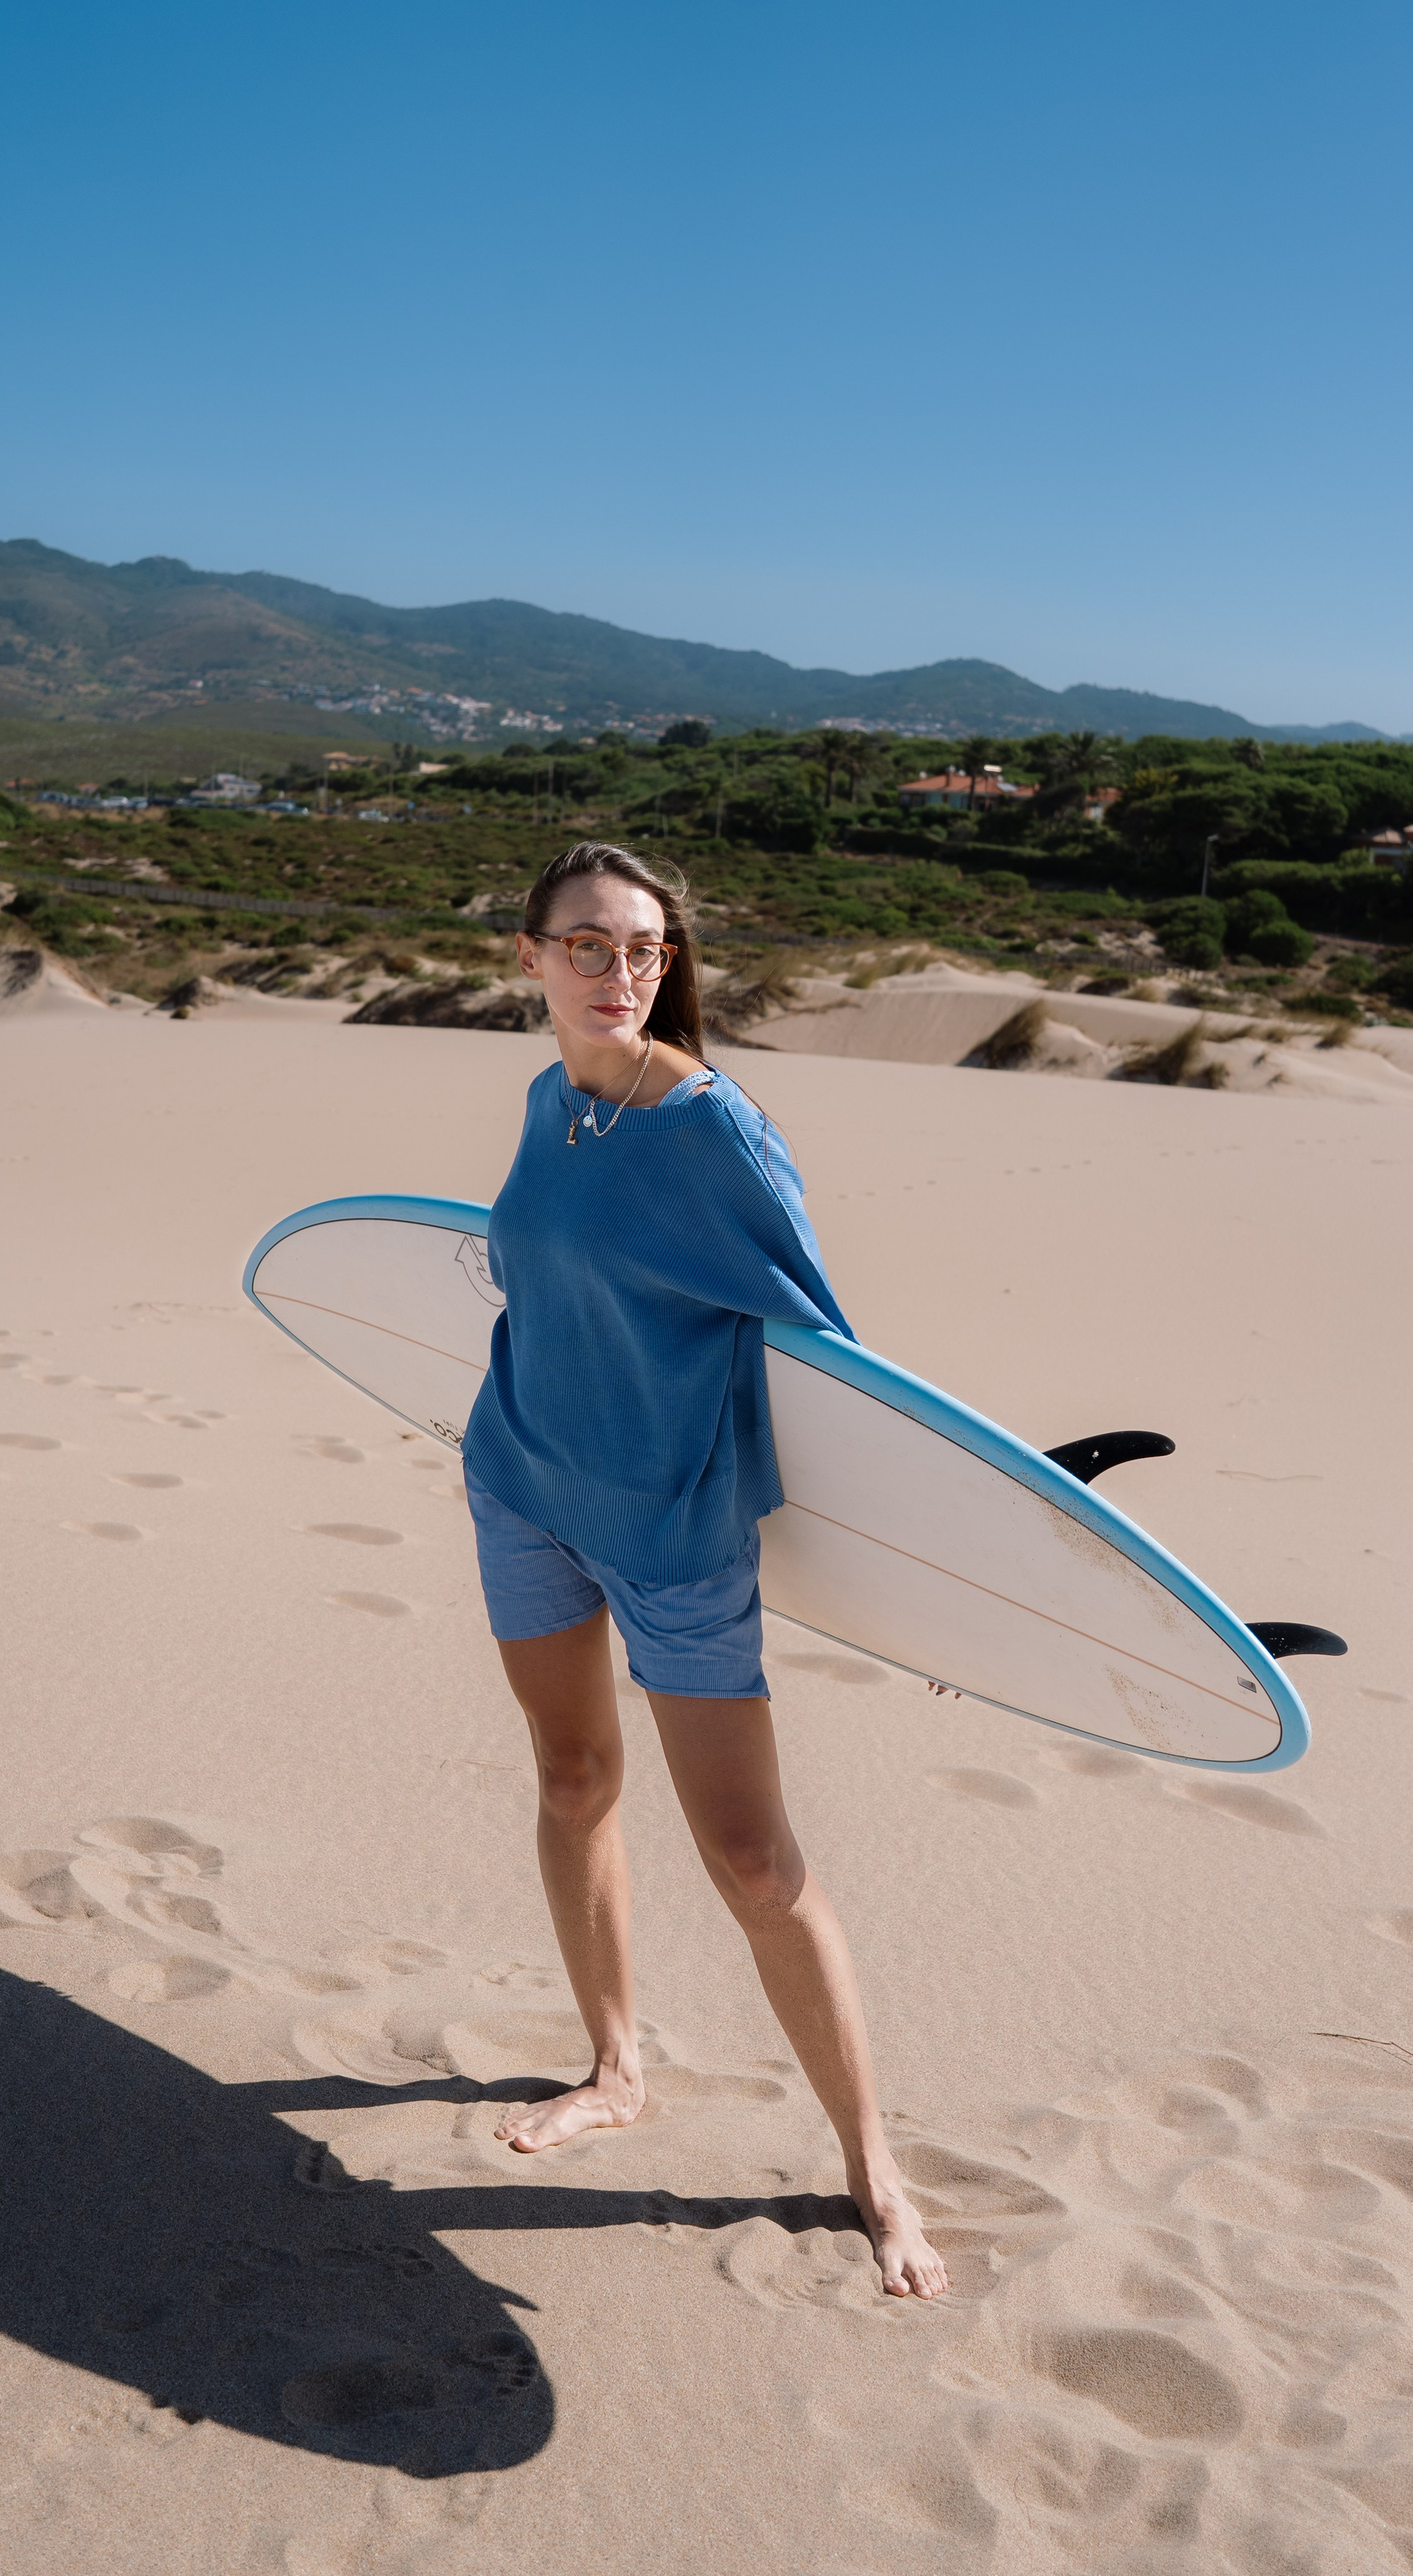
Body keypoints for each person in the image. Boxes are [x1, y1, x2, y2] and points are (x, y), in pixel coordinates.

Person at [460, 840, 949, 2301]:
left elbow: (832, 1356)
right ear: (530, 956)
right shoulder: (550, 1100)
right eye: (592, 946)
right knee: (568, 1780)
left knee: (750, 1857)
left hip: (674, 1525)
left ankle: (872, 2167)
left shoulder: (712, 1129)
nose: (623, 973)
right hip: (521, 1482)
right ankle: (613, 2066)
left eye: (647, 950)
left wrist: (923, 1571)